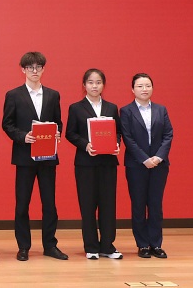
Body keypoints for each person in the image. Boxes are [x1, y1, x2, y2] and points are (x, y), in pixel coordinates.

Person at [2, 51, 67, 261]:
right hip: (24, 157)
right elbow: (7, 124)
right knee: (22, 204)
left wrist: (57, 133)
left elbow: (58, 122)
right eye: (30, 67)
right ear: (23, 70)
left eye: (38, 67)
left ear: (43, 69)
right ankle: (23, 247)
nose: (34, 71)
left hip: (48, 157)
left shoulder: (53, 95)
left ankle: (50, 245)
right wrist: (23, 136)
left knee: (49, 203)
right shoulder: (13, 95)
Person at [65, 69, 123, 260]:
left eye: (98, 82)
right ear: (84, 85)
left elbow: (118, 131)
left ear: (103, 85)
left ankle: (107, 245)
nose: (94, 86)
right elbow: (70, 133)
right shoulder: (76, 108)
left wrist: (116, 144)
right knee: (88, 205)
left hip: (108, 163)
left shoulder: (111, 107)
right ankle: (91, 246)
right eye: (90, 82)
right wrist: (85, 145)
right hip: (85, 164)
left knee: (108, 204)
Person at [120, 73, 173, 259]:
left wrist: (158, 157)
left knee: (156, 205)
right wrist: (144, 159)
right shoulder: (126, 111)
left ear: (152, 88)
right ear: (132, 89)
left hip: (159, 165)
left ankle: (156, 244)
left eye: (148, 86)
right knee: (138, 205)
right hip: (136, 165)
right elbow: (127, 138)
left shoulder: (161, 109)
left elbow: (168, 134)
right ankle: (142, 244)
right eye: (140, 86)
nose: (144, 89)